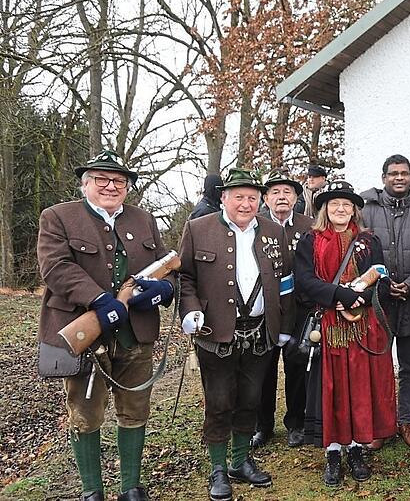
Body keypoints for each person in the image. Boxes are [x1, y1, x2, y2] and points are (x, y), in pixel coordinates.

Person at [37, 150, 175, 501]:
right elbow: (55, 268)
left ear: (127, 187)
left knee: (135, 410)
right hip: (84, 334)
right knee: (85, 413)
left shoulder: (143, 219)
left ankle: (130, 486)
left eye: (119, 181)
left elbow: (164, 264)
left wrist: (163, 289)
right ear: (85, 184)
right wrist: (99, 300)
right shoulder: (57, 217)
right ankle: (91, 491)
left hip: (136, 334)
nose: (111, 186)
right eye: (102, 179)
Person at [178, 168, 295, 501]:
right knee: (218, 403)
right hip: (216, 333)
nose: (246, 204)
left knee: (250, 400)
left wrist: (284, 327)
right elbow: (184, 277)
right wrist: (189, 311)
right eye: (239, 197)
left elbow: (286, 283)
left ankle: (241, 461)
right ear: (224, 198)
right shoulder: (197, 228)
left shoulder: (274, 230)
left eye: (252, 198)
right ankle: (218, 469)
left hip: (261, 332)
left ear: (259, 200)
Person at [294, 180, 397, 487]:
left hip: (364, 326)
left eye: (347, 204)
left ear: (354, 209)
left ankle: (356, 448)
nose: (341, 209)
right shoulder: (310, 241)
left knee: (360, 387)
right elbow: (305, 282)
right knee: (333, 388)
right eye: (334, 204)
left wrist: (360, 298)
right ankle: (334, 451)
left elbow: (381, 280)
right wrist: (339, 294)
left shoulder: (369, 241)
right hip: (329, 327)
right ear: (324, 208)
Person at [360, 155, 410, 450]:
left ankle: (406, 420)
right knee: (378, 364)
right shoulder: (366, 212)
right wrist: (379, 283)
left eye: (404, 173)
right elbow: (361, 254)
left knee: (409, 365)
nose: (399, 178)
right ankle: (380, 424)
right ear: (383, 178)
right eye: (393, 173)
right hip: (377, 303)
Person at [252, 168, 315, 449]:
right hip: (264, 311)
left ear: (296, 197)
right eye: (275, 192)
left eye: (287, 191)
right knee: (263, 370)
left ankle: (297, 423)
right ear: (265, 198)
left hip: (300, 310)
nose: (281, 197)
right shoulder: (253, 225)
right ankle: (262, 426)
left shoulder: (310, 226)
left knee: (297, 367)